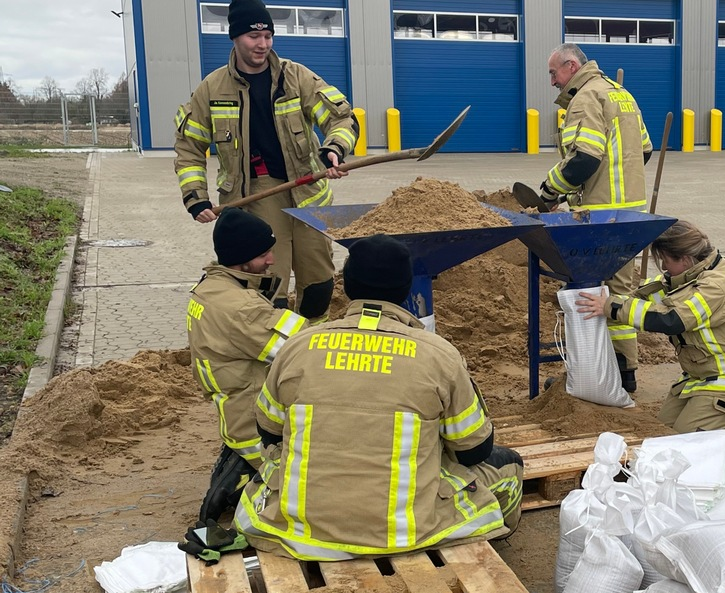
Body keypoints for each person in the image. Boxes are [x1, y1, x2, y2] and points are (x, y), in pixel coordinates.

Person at [235, 235, 524, 560]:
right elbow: (474, 450)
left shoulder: (297, 347)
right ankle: (500, 551)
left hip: (299, 531)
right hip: (406, 534)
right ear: (404, 291)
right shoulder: (439, 355)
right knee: (509, 466)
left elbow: (270, 433)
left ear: (347, 287)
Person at [173, 0, 359, 323]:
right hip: (255, 198)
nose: (262, 44)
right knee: (270, 287)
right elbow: (189, 146)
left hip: (308, 194)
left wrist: (334, 148)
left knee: (319, 284)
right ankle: (277, 352)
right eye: (253, 36)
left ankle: (311, 345)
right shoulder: (212, 89)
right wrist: (195, 196)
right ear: (234, 37)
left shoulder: (295, 78)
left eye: (268, 36)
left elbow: (341, 118)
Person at [576, 221, 725, 446]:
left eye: (666, 260)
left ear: (684, 259)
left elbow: (671, 320)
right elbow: (644, 300)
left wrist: (612, 307)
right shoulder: (686, 276)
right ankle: (724, 417)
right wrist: (605, 304)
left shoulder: (717, 286)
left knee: (684, 443)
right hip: (699, 376)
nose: (664, 267)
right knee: (662, 432)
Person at [541, 42, 653, 393]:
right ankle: (625, 371)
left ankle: (592, 374)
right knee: (619, 288)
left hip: (600, 215)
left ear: (571, 66)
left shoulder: (586, 98)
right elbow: (644, 150)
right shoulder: (621, 94)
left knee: (587, 290)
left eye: (553, 72)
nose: (552, 81)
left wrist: (549, 189)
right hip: (630, 212)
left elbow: (584, 159)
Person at [186, 208, 307, 522]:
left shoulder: (210, 289)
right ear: (241, 259)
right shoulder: (241, 308)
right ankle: (240, 483)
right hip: (256, 426)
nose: (271, 261)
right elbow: (304, 350)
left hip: (235, 415)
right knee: (315, 490)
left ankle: (239, 465)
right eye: (264, 254)